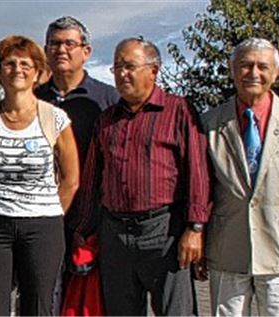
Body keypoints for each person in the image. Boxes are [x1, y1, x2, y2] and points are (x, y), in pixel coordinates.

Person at [71, 37, 209, 315]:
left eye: (129, 66)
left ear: (153, 70)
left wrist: (195, 228)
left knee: (176, 311)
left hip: (164, 231)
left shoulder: (178, 110)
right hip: (115, 234)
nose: (122, 74)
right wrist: (82, 229)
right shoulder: (107, 119)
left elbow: (198, 172)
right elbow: (92, 180)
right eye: (117, 67)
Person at [201, 37, 279, 316]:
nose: (253, 73)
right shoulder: (210, 122)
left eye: (262, 66)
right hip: (227, 250)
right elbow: (202, 189)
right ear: (233, 70)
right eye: (245, 65)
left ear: (276, 72)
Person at [0, 35, 79, 316]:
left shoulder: (55, 118)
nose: (17, 69)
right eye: (9, 63)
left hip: (42, 226)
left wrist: (51, 213)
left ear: (38, 73)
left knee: (38, 305)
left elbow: (70, 179)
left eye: (25, 64)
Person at [37, 16, 119, 171]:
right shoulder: (33, 100)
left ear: (86, 52)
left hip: (94, 193)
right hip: (42, 194)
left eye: (69, 44)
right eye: (54, 43)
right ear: (46, 51)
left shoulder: (108, 99)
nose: (61, 50)